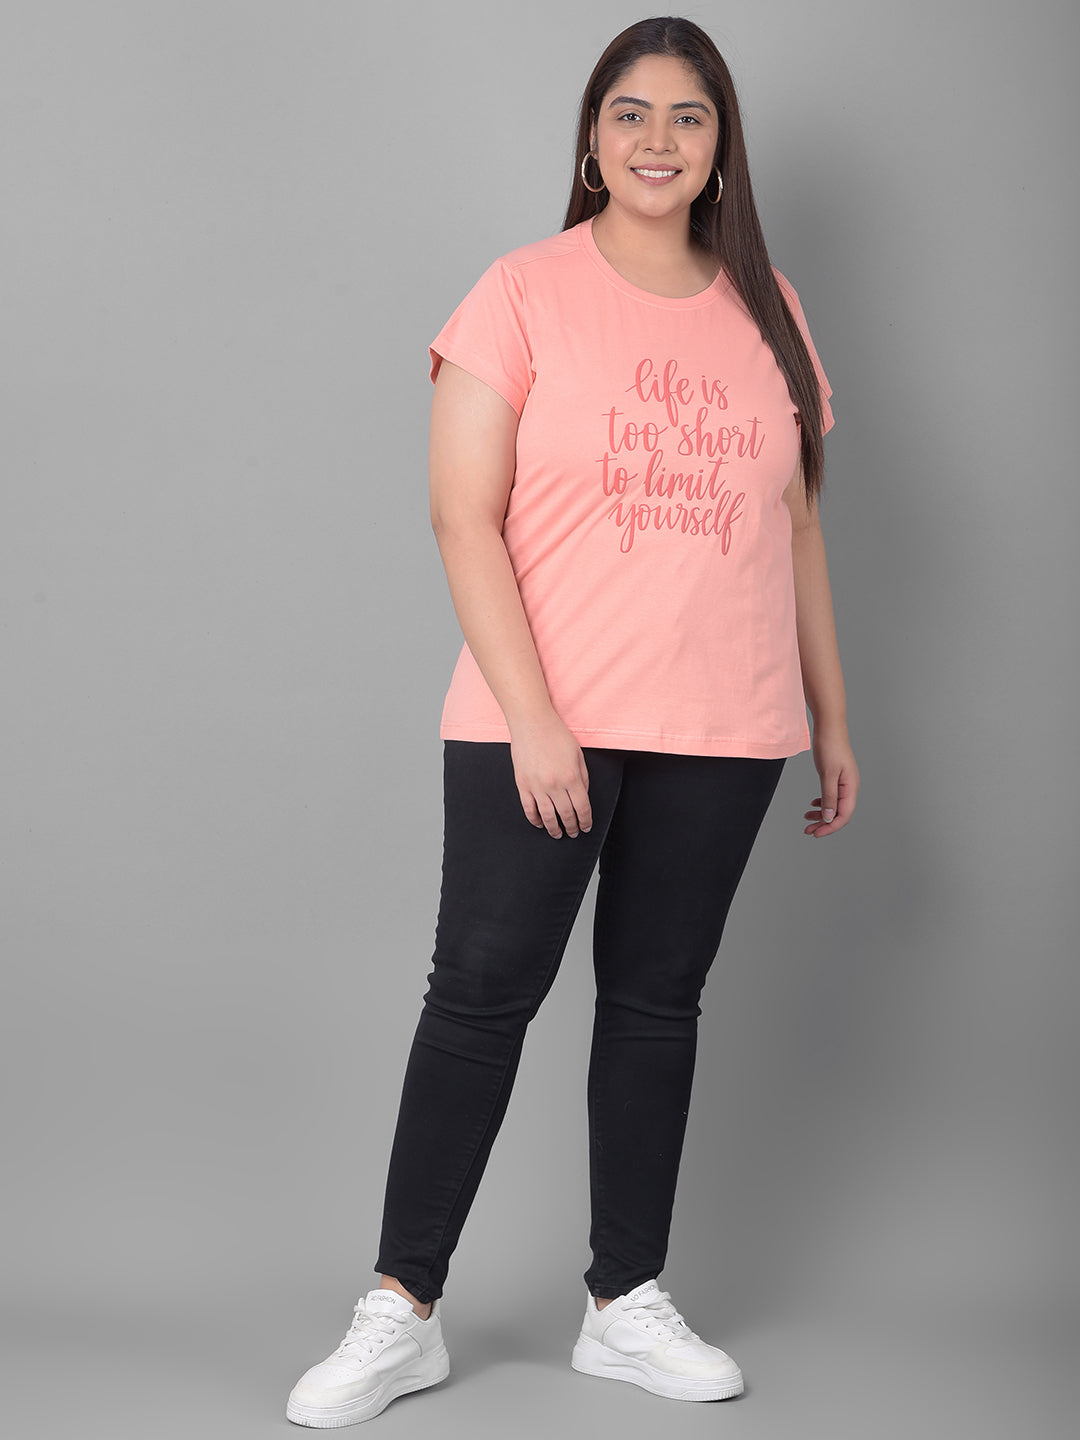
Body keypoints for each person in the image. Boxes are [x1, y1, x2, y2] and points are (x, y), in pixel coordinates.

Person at [286, 14, 859, 1428]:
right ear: (593, 140)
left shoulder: (772, 306)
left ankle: (626, 1302)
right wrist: (538, 723)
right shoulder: (521, 292)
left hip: (727, 723)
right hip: (541, 720)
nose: (658, 140)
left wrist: (832, 720)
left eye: (688, 117)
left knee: (659, 1005)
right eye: (630, 114)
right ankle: (401, 1310)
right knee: (479, 1000)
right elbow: (460, 517)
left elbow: (796, 531)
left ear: (721, 148)